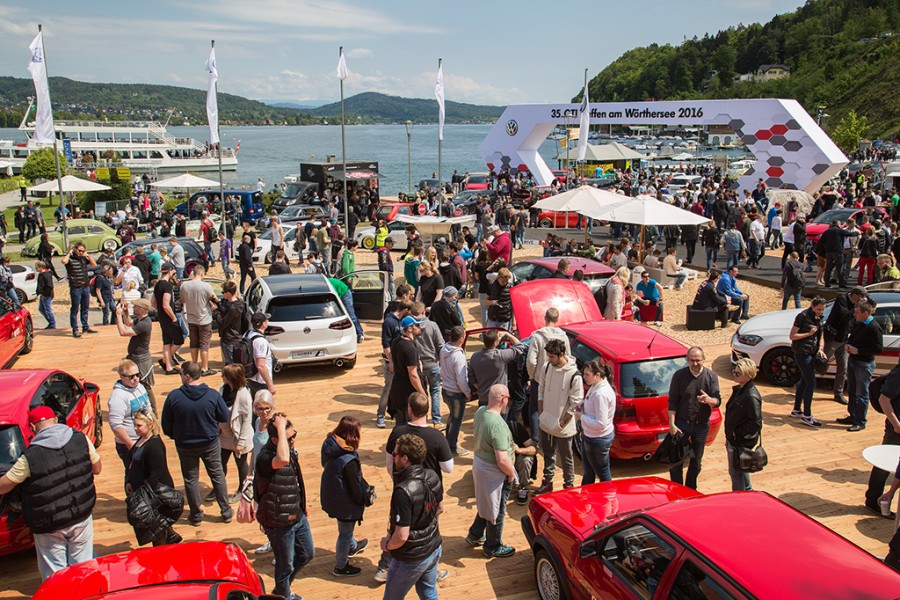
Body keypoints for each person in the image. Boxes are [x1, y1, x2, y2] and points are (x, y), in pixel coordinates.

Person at [0, 406, 102, 580]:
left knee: (55, 574)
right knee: (83, 567)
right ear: (55, 420)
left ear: (32, 428)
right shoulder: (81, 439)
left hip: (49, 524)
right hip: (80, 515)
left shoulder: (29, 457)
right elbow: (97, 468)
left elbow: (5, 485)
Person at [161, 361, 233, 526]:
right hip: (210, 442)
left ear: (186, 376)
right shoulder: (213, 395)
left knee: (191, 479)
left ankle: (196, 515)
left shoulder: (174, 396)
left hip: (185, 445)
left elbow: (166, 424)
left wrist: (176, 436)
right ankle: (226, 511)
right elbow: (223, 417)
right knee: (217, 475)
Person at [255, 412, 315, 599]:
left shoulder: (288, 450)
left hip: (296, 514)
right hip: (278, 521)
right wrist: (280, 428)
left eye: (294, 435)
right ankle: (284, 596)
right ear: (275, 439)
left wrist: (302, 504)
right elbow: (282, 460)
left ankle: (281, 591)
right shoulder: (266, 457)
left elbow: (296, 479)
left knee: (306, 553)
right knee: (285, 564)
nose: (293, 441)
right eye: (289, 438)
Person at [381, 433, 444, 598]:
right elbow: (440, 508)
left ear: (404, 459)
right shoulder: (432, 476)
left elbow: (401, 535)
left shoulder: (403, 491)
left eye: (395, 454)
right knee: (428, 593)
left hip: (410, 558)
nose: (393, 457)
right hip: (433, 547)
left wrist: (387, 545)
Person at [466, 384, 517, 558]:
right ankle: (493, 545)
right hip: (495, 473)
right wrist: (511, 474)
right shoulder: (498, 425)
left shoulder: (481, 412)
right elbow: (502, 459)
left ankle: (475, 534)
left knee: (485, 503)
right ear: (503, 399)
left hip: (480, 465)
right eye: (508, 398)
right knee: (497, 509)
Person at [321, 416, 370, 577]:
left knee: (345, 529)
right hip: (345, 503)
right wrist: (364, 498)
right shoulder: (348, 460)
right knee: (344, 533)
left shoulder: (330, 444)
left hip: (333, 495)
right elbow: (355, 491)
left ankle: (353, 545)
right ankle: (341, 566)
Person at [667, 347, 721, 490]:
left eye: (698, 360)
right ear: (687, 360)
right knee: (676, 460)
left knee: (696, 461)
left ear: (704, 359)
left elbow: (718, 400)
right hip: (681, 424)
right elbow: (672, 401)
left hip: (701, 426)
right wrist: (672, 424)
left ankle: (690, 489)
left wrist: (710, 400)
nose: (695, 363)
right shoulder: (679, 376)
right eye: (692, 360)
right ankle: (677, 490)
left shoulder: (711, 376)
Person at [125, 411, 182, 546]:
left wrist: (141, 498)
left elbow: (154, 475)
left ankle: (161, 554)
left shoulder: (154, 445)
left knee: (156, 530)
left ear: (150, 425)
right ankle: (171, 535)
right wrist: (129, 481)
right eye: (134, 425)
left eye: (139, 425)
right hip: (145, 490)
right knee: (157, 525)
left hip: (155, 494)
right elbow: (133, 462)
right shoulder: (142, 440)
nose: (135, 428)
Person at [536, 339, 583, 494]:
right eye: (548, 356)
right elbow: (541, 388)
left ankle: (569, 486)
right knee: (548, 454)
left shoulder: (574, 375)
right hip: (546, 421)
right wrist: (541, 412)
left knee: (566, 458)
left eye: (551, 357)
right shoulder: (547, 366)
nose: (549, 359)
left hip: (563, 427)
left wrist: (563, 422)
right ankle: (547, 483)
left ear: (561, 354)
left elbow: (577, 403)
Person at [526, 308, 571, 444]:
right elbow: (568, 357)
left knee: (534, 408)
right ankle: (552, 436)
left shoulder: (537, 336)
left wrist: (533, 375)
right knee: (554, 408)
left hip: (539, 379)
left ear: (545, 318)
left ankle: (535, 438)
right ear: (557, 320)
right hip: (557, 379)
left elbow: (531, 360)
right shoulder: (564, 336)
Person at [839, 301, 884, 432]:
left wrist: (859, 351)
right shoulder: (859, 323)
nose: (854, 314)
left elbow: (878, 348)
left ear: (865, 313)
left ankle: (860, 421)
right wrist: (848, 345)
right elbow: (852, 337)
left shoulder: (874, 327)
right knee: (852, 390)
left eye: (857, 312)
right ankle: (853, 416)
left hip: (864, 364)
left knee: (862, 393)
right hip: (854, 361)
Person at [215, 364, 253, 503]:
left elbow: (247, 421)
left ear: (232, 378)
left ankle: (243, 489)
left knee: (241, 465)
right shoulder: (222, 388)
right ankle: (218, 487)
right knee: (219, 462)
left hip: (238, 437)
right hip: (223, 436)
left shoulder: (244, 396)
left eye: (224, 375)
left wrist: (241, 442)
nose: (222, 377)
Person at [822, 287, 867, 405]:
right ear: (856, 295)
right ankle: (804, 384)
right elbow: (844, 316)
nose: (862, 299)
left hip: (845, 339)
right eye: (861, 297)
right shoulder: (842, 300)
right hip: (833, 338)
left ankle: (838, 393)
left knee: (843, 367)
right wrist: (856, 308)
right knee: (821, 362)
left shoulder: (855, 305)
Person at [724, 358, 763, 491]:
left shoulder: (751, 396)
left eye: (738, 373)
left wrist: (737, 433)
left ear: (748, 375)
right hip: (735, 440)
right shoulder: (741, 390)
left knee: (736, 474)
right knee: (742, 469)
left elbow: (756, 422)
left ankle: (738, 501)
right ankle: (748, 494)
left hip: (740, 442)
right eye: (734, 371)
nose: (734, 374)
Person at [108, 358, 155, 469]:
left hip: (146, 438)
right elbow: (116, 425)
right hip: (130, 442)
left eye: (137, 375)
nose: (136, 379)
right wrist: (131, 445)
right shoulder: (118, 397)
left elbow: (148, 408)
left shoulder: (140, 387)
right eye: (131, 376)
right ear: (122, 377)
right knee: (133, 474)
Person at [789, 296, 826, 428]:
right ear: (812, 306)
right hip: (801, 353)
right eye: (818, 309)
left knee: (804, 380)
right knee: (811, 382)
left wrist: (821, 348)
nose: (820, 312)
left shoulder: (819, 318)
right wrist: (808, 334)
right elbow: (792, 335)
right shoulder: (802, 316)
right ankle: (807, 415)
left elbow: (821, 334)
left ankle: (797, 410)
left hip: (812, 352)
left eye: (822, 309)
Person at [115, 298, 158, 414]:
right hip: (136, 357)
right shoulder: (141, 320)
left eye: (135, 307)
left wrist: (118, 315)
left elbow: (123, 332)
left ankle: (153, 413)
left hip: (141, 359)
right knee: (137, 383)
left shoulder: (145, 323)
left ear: (142, 309)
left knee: (145, 386)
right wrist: (125, 313)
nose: (133, 308)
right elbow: (129, 323)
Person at [578, 360, 616, 484]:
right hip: (590, 436)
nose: (584, 377)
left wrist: (581, 416)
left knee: (603, 474)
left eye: (587, 375)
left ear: (597, 375)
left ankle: (608, 500)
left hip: (598, 440)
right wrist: (580, 406)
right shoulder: (595, 386)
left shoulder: (601, 394)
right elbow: (589, 405)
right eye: (584, 374)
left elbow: (601, 424)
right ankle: (586, 499)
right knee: (588, 473)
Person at [180, 264, 219, 376]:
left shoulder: (184, 285)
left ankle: (194, 365)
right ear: (202, 273)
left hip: (191, 318)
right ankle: (204, 368)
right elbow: (214, 298)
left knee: (193, 343)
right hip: (204, 318)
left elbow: (183, 300)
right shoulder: (206, 286)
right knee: (204, 344)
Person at [389, 315, 427, 426]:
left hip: (398, 390)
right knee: (409, 426)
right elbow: (413, 375)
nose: (419, 327)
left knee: (400, 424)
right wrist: (423, 393)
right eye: (417, 325)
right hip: (408, 395)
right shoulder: (409, 348)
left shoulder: (396, 341)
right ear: (409, 328)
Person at [439, 326, 471, 455]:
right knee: (456, 421)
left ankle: (448, 443)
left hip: (446, 390)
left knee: (452, 418)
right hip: (456, 394)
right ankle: (452, 448)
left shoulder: (444, 349)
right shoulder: (459, 356)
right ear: (462, 338)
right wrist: (468, 393)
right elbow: (462, 380)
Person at [469, 329, 524, 403]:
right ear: (495, 343)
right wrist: (507, 334)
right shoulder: (500, 355)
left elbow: (471, 378)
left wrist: (482, 389)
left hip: (483, 398)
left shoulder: (475, 356)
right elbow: (520, 347)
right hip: (499, 398)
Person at [152, 263, 184, 375]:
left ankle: (168, 366)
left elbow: (153, 303)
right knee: (179, 339)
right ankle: (166, 361)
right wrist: (174, 317)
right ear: (170, 271)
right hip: (168, 317)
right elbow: (166, 305)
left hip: (161, 316)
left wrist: (159, 310)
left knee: (167, 341)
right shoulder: (167, 286)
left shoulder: (157, 285)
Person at [61, 242, 97, 338]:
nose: (81, 252)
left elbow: (94, 265)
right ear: (75, 250)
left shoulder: (83, 259)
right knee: (75, 309)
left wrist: (88, 256)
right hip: (76, 287)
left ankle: (85, 326)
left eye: (83, 251)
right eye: (79, 250)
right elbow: (63, 261)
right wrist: (69, 253)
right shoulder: (70, 259)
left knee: (85, 308)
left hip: (85, 286)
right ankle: (75, 329)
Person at [245, 311, 277, 398]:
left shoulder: (248, 334)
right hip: (261, 382)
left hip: (251, 378)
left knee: (255, 405)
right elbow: (261, 366)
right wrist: (270, 385)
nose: (267, 322)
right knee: (263, 407)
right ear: (263, 324)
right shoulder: (261, 341)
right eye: (266, 320)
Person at [214, 280, 245, 365]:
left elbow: (223, 323)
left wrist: (216, 312)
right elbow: (226, 313)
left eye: (223, 292)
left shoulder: (233, 308)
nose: (223, 294)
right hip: (234, 337)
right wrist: (217, 304)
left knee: (232, 366)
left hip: (229, 339)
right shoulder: (239, 303)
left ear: (228, 293)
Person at [328, 276, 365, 343]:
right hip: (339, 293)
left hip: (345, 293)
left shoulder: (328, 285)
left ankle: (360, 333)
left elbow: (335, 296)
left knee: (351, 315)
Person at [35, 261, 56, 329]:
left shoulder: (46, 275)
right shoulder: (41, 274)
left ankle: (52, 324)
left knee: (48, 310)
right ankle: (50, 322)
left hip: (47, 295)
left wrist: (44, 293)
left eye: (37, 267)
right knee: (41, 309)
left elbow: (49, 286)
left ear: (41, 267)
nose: (35, 269)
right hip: (43, 295)